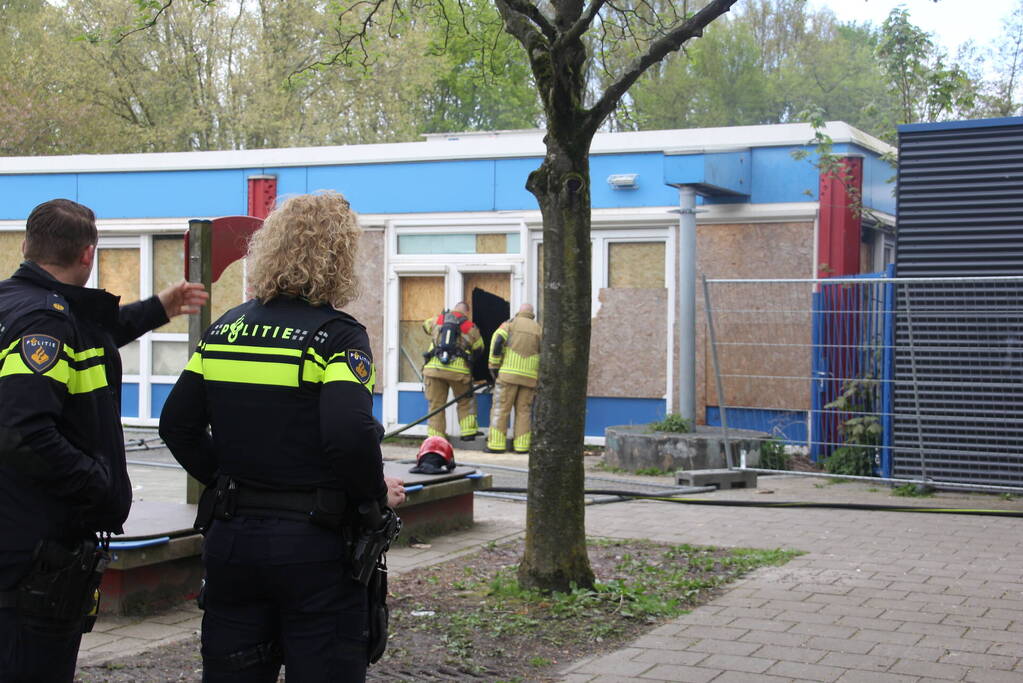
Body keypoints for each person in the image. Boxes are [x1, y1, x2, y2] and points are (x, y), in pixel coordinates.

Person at [159, 191, 405, 683]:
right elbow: (348, 435)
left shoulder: (226, 330)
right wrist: (375, 499)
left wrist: (230, 482)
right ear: (339, 257)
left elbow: (176, 425)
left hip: (232, 543)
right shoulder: (338, 336)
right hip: (313, 549)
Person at [0, 198, 208, 682]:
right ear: (88, 255)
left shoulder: (20, 305)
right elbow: (22, 429)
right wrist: (98, 483)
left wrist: (159, 308)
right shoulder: (47, 322)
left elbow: (94, 330)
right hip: (33, 550)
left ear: (28, 246)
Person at [421, 302, 484, 440]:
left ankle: (435, 437)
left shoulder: (438, 319)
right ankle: (468, 433)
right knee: (465, 401)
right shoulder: (469, 326)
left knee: (436, 404)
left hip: (434, 369)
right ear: (467, 312)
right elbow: (479, 347)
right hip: (459, 371)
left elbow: (425, 326)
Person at [485, 303, 542, 454]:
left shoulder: (510, 324)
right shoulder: (539, 329)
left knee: (501, 409)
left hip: (508, 375)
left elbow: (497, 341)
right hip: (530, 378)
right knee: (524, 411)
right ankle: (522, 447)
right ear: (532, 314)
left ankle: (496, 445)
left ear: (519, 312)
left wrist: (494, 365)